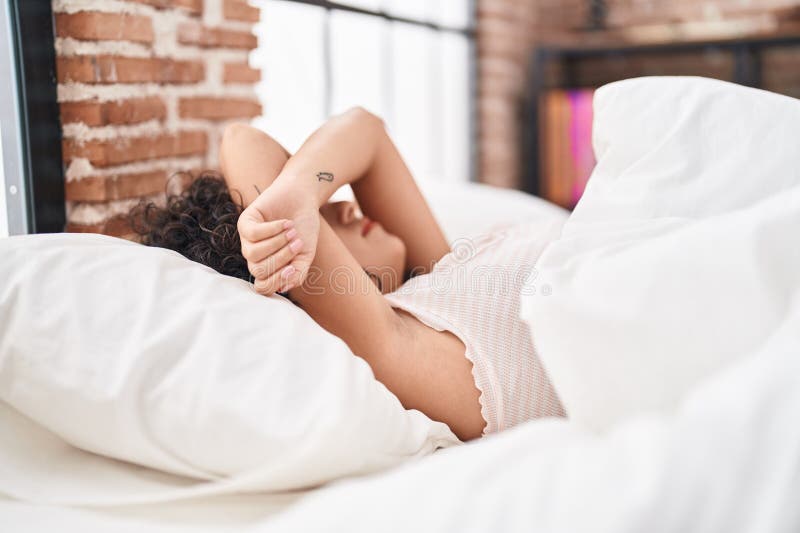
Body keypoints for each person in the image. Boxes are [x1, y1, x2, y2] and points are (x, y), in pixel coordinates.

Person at [130, 107, 565, 441]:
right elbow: (243, 142)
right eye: (319, 221)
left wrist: (301, 190)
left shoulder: (436, 277)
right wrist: (285, 213)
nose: (344, 205)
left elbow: (366, 130)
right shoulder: (404, 352)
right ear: (297, 272)